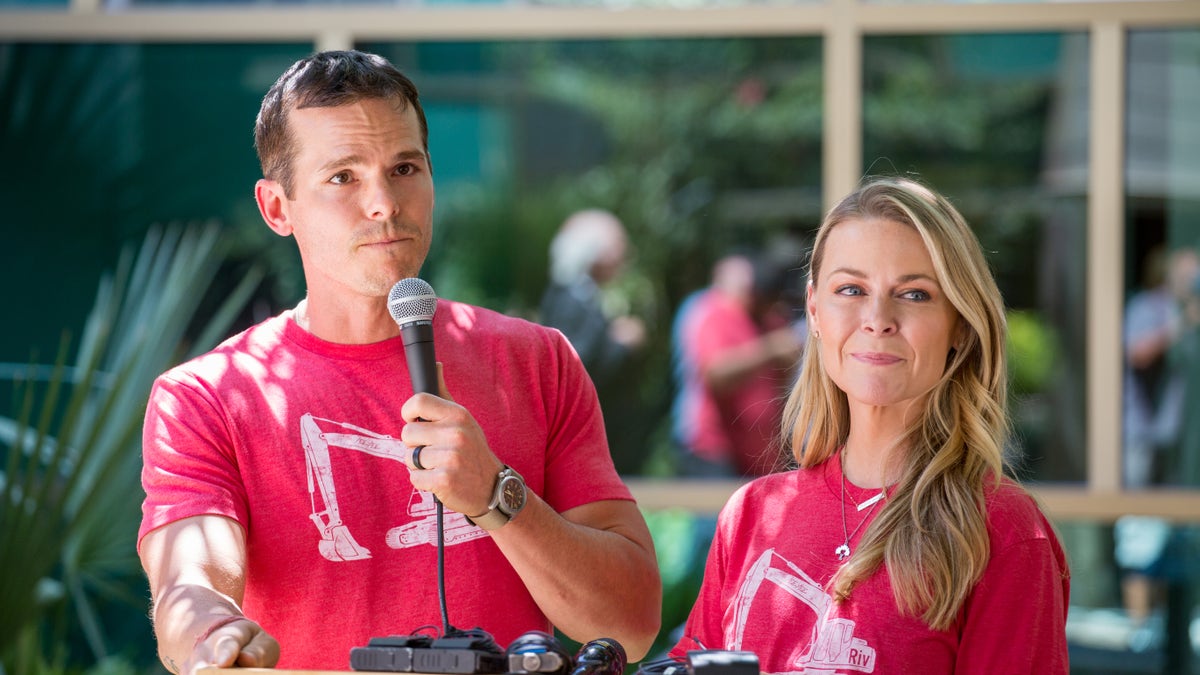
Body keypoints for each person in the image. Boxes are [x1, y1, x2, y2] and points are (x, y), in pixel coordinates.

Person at [137, 50, 661, 675]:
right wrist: (212, 633)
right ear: (277, 208)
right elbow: (190, 581)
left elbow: (629, 624)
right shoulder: (207, 396)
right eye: (343, 177)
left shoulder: (537, 359)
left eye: (404, 167)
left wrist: (497, 494)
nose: (384, 202)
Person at [668, 177, 1070, 673]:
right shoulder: (751, 515)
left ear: (960, 326)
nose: (878, 318)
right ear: (814, 310)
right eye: (851, 289)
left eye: (916, 294)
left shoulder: (1003, 532)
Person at [671, 251, 803, 477]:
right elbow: (715, 375)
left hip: (758, 453)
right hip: (713, 449)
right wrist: (769, 349)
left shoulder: (770, 322)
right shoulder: (715, 312)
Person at [539, 208, 646, 388]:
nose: (623, 254)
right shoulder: (573, 298)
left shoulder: (577, 293)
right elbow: (574, 363)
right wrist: (620, 344)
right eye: (618, 244)